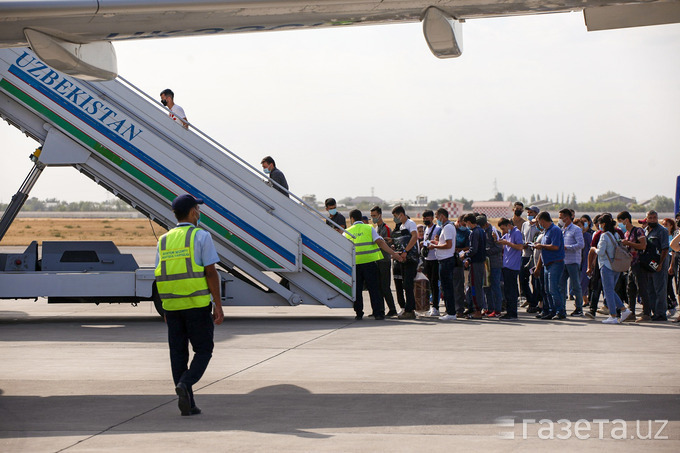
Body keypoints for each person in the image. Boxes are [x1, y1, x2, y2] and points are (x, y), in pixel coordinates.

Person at [155, 194, 223, 416]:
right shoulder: (201, 236)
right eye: (198, 209)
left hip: (173, 308)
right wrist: (218, 305)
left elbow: (159, 276)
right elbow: (211, 273)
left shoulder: (163, 240)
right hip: (197, 305)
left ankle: (188, 403)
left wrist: (165, 307)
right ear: (193, 212)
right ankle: (185, 383)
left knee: (178, 354)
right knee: (204, 350)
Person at [345, 209, 401, 320]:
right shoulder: (369, 228)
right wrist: (393, 254)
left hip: (355, 265)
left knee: (357, 290)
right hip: (370, 263)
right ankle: (378, 313)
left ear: (351, 219)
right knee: (374, 289)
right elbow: (380, 242)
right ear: (361, 218)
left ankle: (359, 313)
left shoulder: (347, 231)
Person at [590, 214, 632, 324]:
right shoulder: (616, 234)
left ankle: (613, 315)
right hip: (616, 265)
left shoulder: (604, 236)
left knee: (608, 291)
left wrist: (594, 249)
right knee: (611, 290)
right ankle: (623, 310)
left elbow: (601, 252)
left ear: (603, 224)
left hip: (606, 265)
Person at [533, 211, 566, 319]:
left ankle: (560, 311)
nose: (538, 224)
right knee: (547, 290)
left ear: (543, 220)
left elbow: (555, 246)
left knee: (553, 289)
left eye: (538, 221)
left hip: (555, 263)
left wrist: (542, 246)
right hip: (547, 264)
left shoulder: (555, 230)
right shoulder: (546, 231)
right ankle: (551, 311)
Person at [616, 211, 647, 323]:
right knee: (630, 290)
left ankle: (646, 313)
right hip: (630, 265)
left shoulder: (638, 230)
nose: (620, 224)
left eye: (620, 222)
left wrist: (629, 244)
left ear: (626, 220)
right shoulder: (627, 233)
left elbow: (643, 245)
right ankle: (631, 313)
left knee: (642, 288)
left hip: (638, 264)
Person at [427, 208, 457, 320]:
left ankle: (451, 312)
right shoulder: (447, 227)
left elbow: (448, 245)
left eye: (437, 216)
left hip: (446, 260)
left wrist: (435, 246)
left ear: (442, 216)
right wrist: (436, 243)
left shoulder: (448, 227)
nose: (436, 219)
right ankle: (450, 311)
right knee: (445, 287)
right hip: (444, 260)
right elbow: (445, 243)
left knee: (447, 287)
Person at [392, 205, 419, 319]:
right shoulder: (402, 226)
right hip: (403, 259)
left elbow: (415, 237)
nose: (395, 218)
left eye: (395, 216)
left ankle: (410, 309)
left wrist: (405, 251)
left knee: (408, 284)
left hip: (410, 258)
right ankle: (408, 308)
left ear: (401, 214)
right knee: (405, 285)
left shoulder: (410, 223)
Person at [370, 206, 398, 317]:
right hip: (378, 259)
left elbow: (387, 244)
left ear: (380, 215)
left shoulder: (385, 228)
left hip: (384, 260)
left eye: (374, 216)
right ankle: (379, 309)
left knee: (385, 286)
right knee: (378, 287)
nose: (373, 218)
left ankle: (392, 308)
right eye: (372, 216)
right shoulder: (376, 228)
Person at [643, 210, 670, 321]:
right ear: (647, 219)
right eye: (650, 218)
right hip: (649, 264)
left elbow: (665, 248)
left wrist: (660, 264)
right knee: (650, 289)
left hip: (659, 263)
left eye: (655, 217)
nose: (653, 220)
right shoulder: (645, 231)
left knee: (660, 289)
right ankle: (654, 311)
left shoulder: (662, 231)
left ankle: (661, 313)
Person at [558, 208, 585, 316]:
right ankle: (562, 308)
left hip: (573, 261)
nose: (559, 220)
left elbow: (581, 245)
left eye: (561, 218)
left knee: (575, 286)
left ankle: (579, 308)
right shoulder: (562, 230)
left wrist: (567, 247)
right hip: (563, 261)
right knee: (561, 286)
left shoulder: (576, 229)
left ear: (567, 218)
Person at [497, 217, 524, 319]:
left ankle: (512, 312)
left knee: (511, 290)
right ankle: (509, 311)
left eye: (503, 228)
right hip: (507, 264)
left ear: (509, 225)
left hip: (512, 266)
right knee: (507, 290)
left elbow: (520, 246)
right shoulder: (508, 233)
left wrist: (507, 243)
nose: (503, 231)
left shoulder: (516, 233)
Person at [461, 213, 486, 318]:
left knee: (475, 287)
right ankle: (477, 309)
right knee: (477, 286)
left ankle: (477, 311)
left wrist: (465, 255)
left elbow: (473, 250)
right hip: (479, 262)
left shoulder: (474, 233)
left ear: (469, 222)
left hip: (476, 263)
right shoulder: (481, 231)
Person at [479, 215, 503, 317]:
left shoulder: (494, 232)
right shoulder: (482, 231)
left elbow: (499, 247)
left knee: (495, 286)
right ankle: (490, 308)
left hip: (495, 263)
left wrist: (486, 251)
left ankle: (497, 310)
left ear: (485, 224)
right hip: (486, 264)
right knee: (486, 287)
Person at [421, 210, 441, 317]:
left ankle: (436, 307)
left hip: (435, 259)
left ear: (432, 218)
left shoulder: (437, 229)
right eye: (424, 218)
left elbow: (438, 242)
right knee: (428, 283)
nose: (425, 220)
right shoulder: (425, 229)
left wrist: (432, 244)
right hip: (427, 259)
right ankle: (430, 305)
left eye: (427, 218)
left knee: (434, 283)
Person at [521, 206, 540, 313]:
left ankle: (534, 303)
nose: (529, 214)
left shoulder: (538, 226)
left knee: (535, 280)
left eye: (531, 212)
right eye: (528, 212)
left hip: (535, 256)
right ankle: (530, 298)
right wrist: (524, 244)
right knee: (522, 279)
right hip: (525, 255)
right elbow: (523, 238)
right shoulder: (525, 224)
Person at [453, 215, 471, 316]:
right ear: (458, 221)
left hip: (459, 260)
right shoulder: (450, 228)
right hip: (448, 259)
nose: (465, 226)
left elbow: (469, 246)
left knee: (459, 286)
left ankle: (459, 309)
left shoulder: (467, 233)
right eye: (463, 224)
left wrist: (460, 250)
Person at [662, 218, 678, 316]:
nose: (664, 226)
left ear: (671, 225)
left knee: (668, 284)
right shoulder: (663, 235)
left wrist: (671, 265)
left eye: (666, 224)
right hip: (664, 261)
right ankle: (670, 304)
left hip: (671, 261)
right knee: (664, 284)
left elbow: (673, 251)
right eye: (663, 224)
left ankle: (672, 302)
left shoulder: (673, 236)